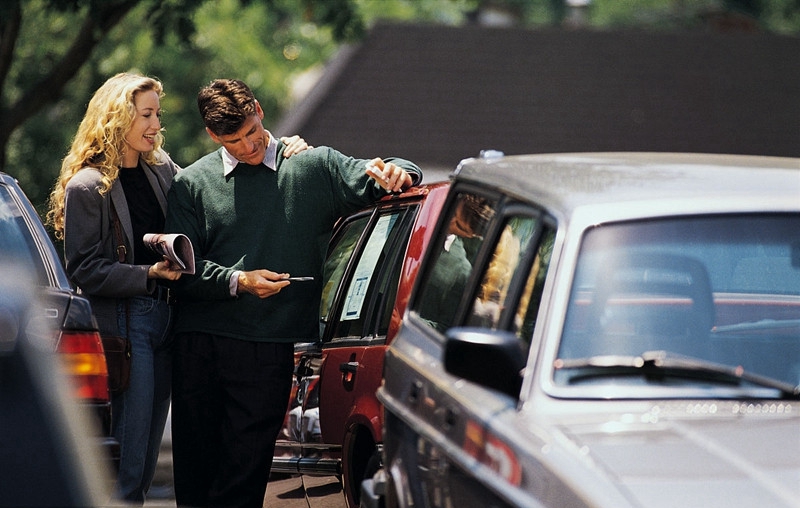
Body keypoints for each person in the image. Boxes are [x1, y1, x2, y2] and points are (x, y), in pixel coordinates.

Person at [45, 73, 308, 504]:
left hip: (169, 324)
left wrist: (290, 148)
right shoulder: (88, 186)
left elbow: (220, 179)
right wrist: (147, 275)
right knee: (128, 466)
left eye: (157, 114)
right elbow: (84, 269)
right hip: (130, 327)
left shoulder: (162, 170)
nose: (155, 125)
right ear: (116, 117)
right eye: (145, 115)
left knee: (146, 463)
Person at [164, 78, 422, 508]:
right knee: (195, 475)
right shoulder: (191, 184)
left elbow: (383, 173)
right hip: (198, 344)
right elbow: (181, 271)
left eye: (252, 132)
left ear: (259, 110)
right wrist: (239, 280)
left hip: (268, 345)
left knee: (244, 473)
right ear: (213, 135)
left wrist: (401, 171)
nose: (248, 146)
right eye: (234, 140)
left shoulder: (312, 166)